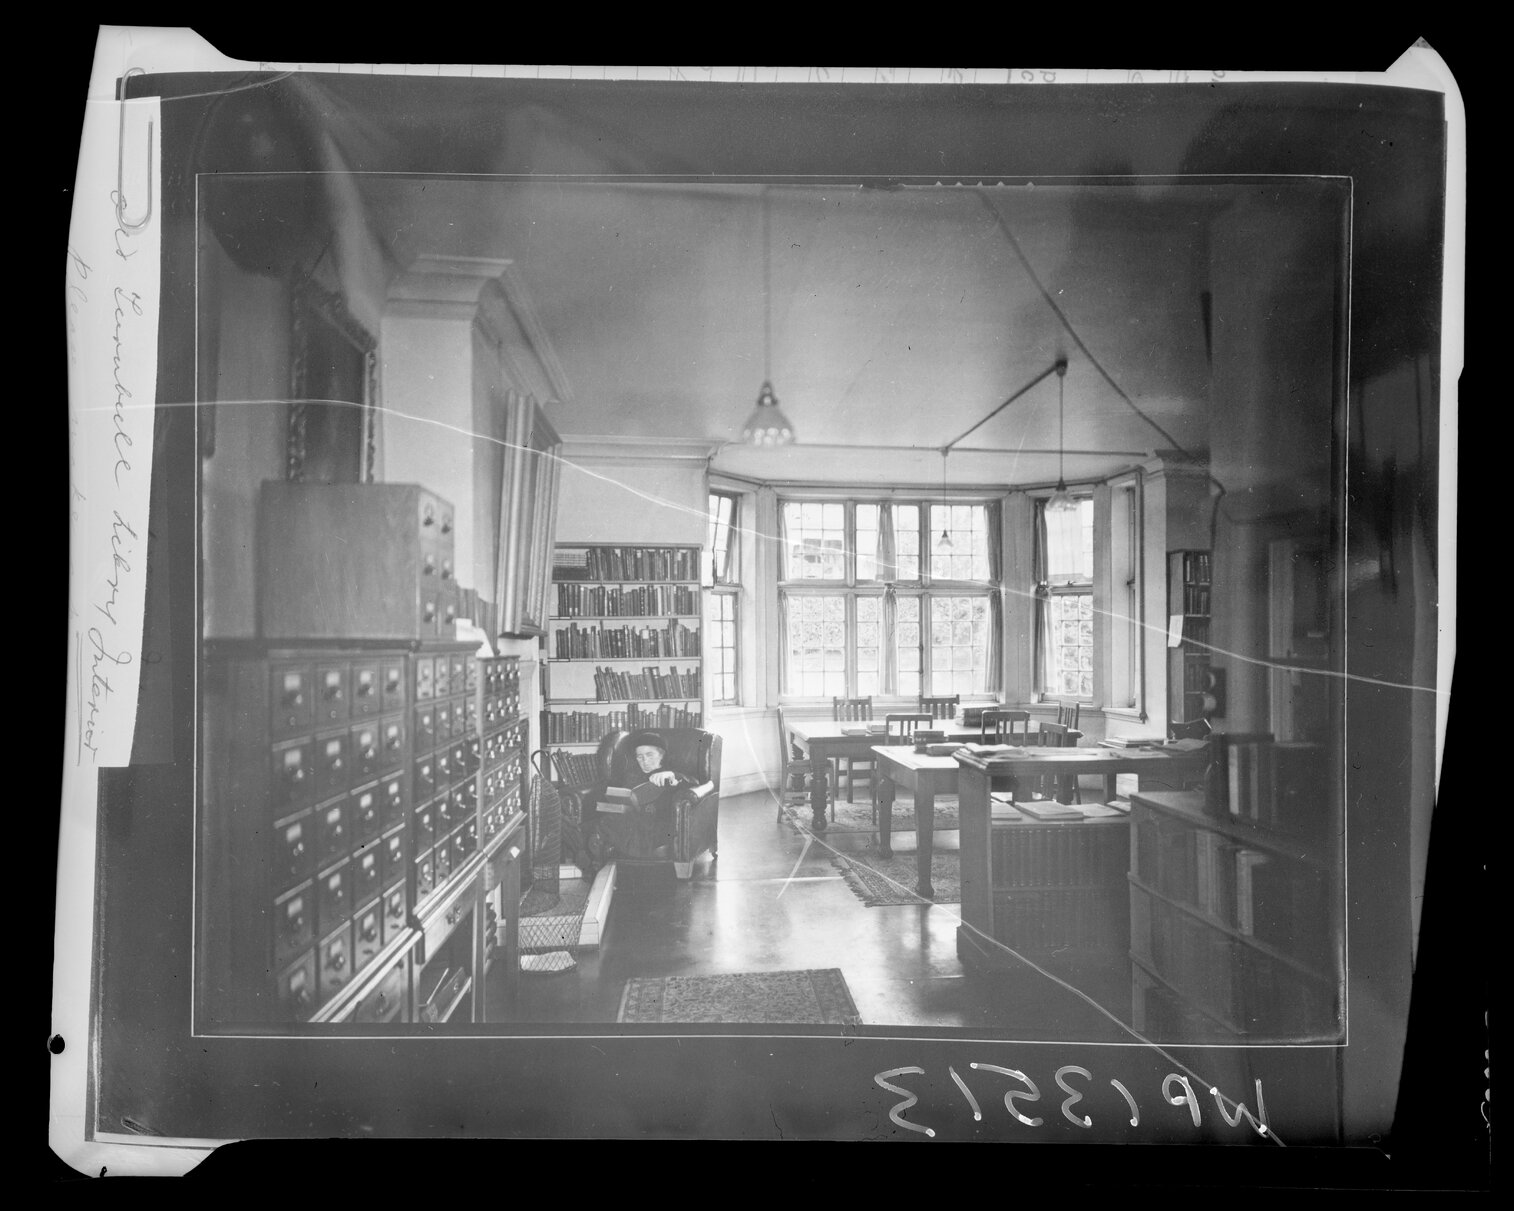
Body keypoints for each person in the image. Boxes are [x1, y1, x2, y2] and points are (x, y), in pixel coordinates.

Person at [583, 731, 692, 869]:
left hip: (654, 826)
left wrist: (672, 775)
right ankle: (591, 845)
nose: (645, 761)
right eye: (640, 757)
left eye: (649, 755)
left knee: (604, 825)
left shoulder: (670, 774)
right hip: (630, 820)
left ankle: (591, 849)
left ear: (662, 755)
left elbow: (693, 783)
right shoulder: (633, 775)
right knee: (605, 818)